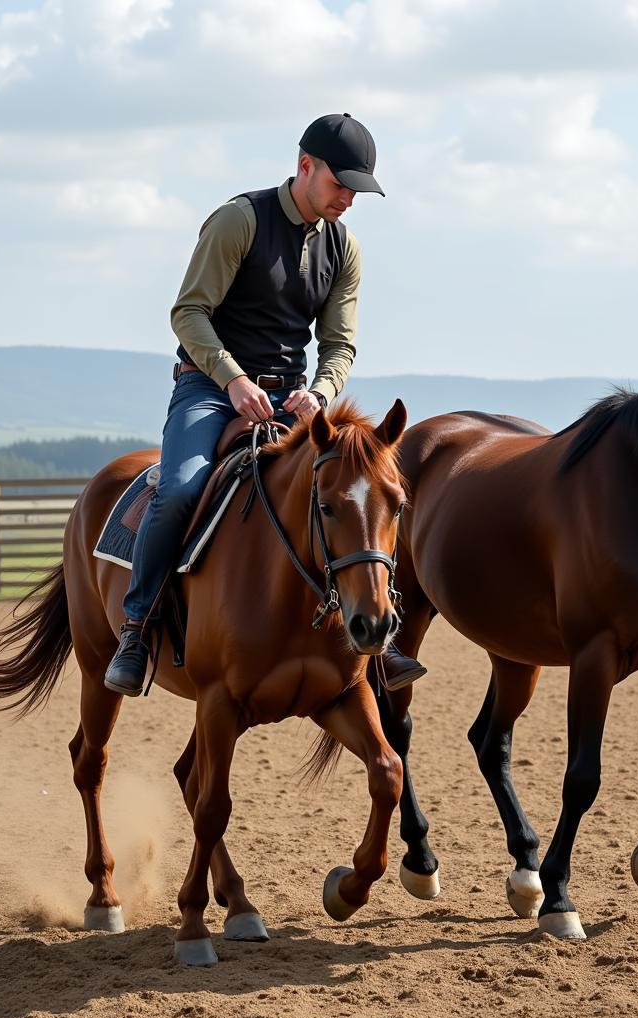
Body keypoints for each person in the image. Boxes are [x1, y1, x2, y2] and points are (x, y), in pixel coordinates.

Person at [104, 113, 426, 697]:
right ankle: (136, 626)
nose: (349, 198)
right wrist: (231, 380)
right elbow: (189, 313)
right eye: (340, 183)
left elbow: (339, 343)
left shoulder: (344, 247)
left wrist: (321, 394)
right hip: (209, 387)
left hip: (293, 399)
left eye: (357, 189)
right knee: (178, 487)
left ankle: (378, 637)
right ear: (305, 166)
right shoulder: (238, 222)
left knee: (360, 489)